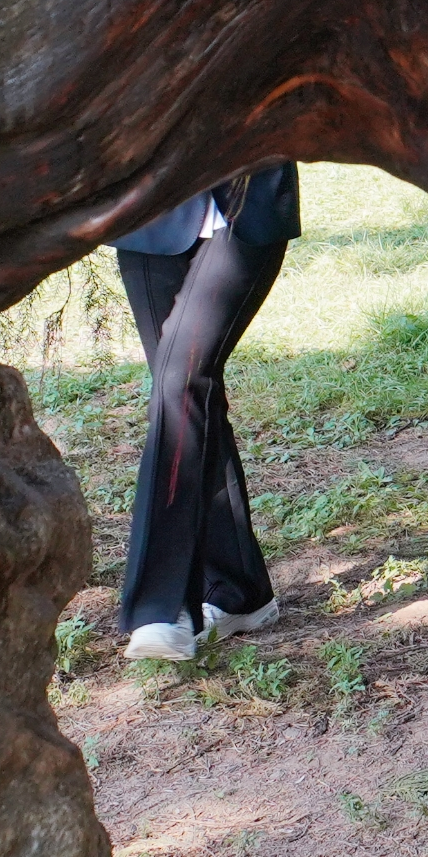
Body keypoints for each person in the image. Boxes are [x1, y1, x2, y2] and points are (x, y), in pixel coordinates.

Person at [109, 161, 299, 663]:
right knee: (188, 395)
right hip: (148, 216)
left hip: (245, 201)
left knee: (181, 381)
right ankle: (241, 591)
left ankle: (163, 606)